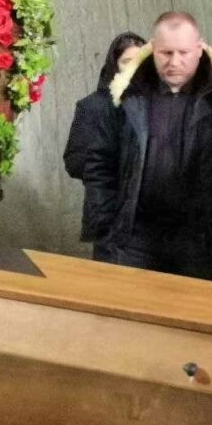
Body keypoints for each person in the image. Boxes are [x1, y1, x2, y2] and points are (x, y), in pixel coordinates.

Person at [84, 11, 212, 281]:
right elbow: (99, 160)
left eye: (183, 52)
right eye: (166, 53)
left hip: (201, 239)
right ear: (152, 48)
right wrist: (106, 223)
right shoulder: (126, 91)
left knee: (194, 308)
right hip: (135, 237)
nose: (174, 61)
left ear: (199, 49)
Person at [63, 32, 145, 260]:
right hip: (109, 215)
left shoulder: (156, 105)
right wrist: (112, 170)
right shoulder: (93, 106)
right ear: (114, 65)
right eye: (127, 62)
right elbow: (74, 160)